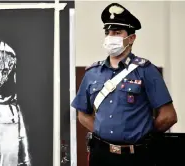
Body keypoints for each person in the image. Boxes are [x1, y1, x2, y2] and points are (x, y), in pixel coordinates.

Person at [71, 3, 177, 166]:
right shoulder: (92, 72)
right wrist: (103, 134)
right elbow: (82, 114)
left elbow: (168, 116)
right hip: (101, 155)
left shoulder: (146, 71)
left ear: (131, 38)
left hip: (136, 156)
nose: (110, 37)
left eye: (117, 32)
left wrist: (142, 134)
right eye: (108, 32)